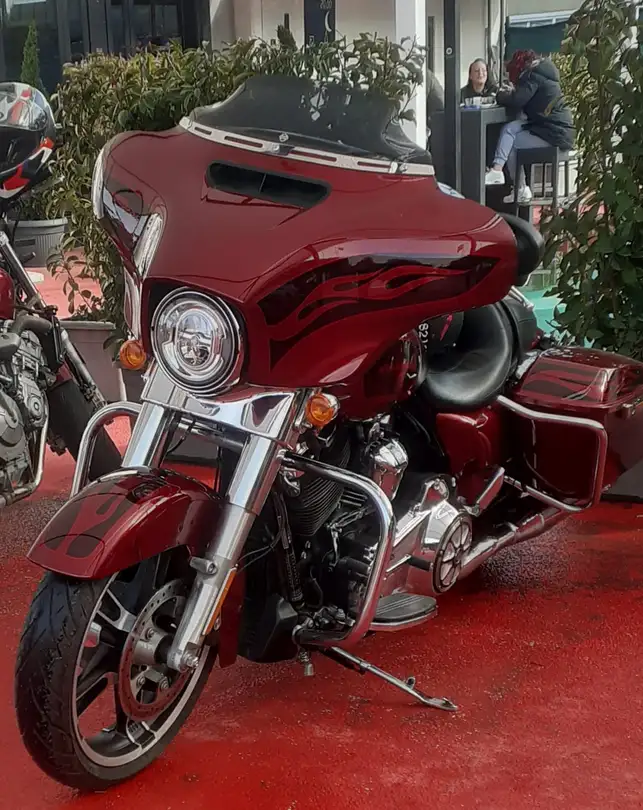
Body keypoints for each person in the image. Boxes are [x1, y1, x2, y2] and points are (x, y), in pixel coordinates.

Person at [484, 49, 575, 204]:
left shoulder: (532, 76)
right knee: (510, 129)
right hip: (558, 131)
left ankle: (518, 187)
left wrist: (501, 95)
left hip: (553, 135)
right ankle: (500, 173)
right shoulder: (544, 74)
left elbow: (517, 100)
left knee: (511, 144)